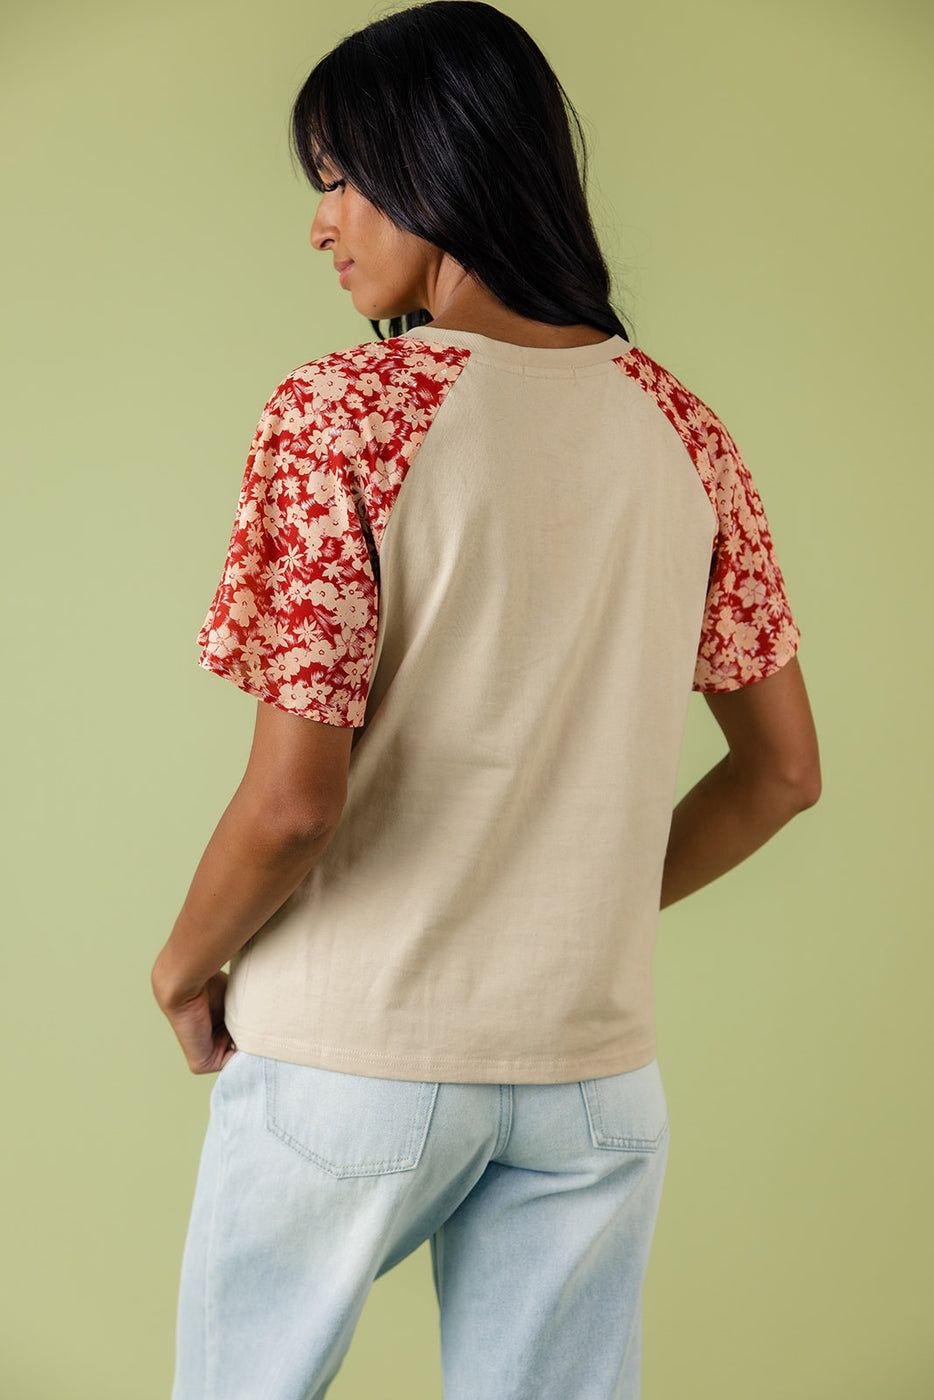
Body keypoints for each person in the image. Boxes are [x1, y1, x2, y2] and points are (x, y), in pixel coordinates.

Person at [151, 3, 821, 1397]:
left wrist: (180, 970)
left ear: (430, 163)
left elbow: (291, 802)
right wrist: (557, 904)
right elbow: (781, 776)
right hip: (590, 1073)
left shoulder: (341, 413)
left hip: (352, 1052)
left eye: (338, 176)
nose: (321, 223)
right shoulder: (683, 431)